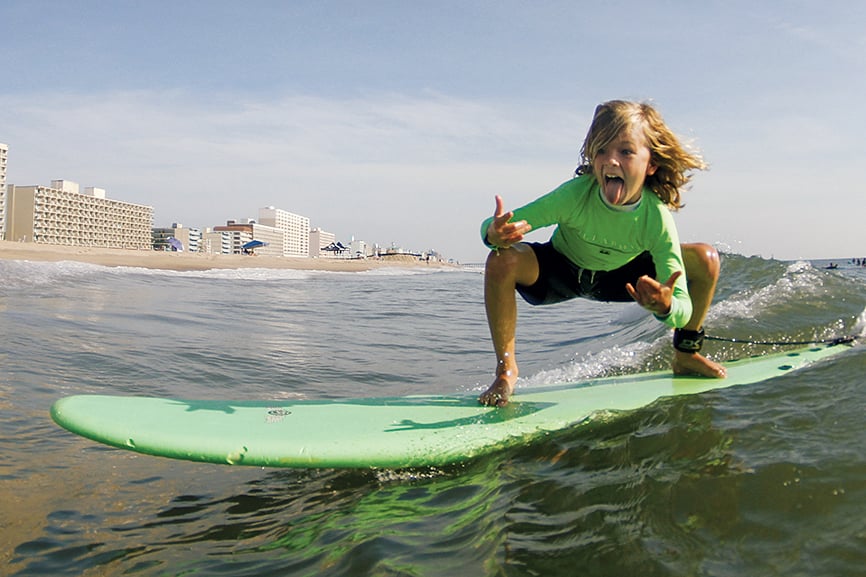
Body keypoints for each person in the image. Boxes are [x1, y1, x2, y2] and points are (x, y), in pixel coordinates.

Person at [479, 100, 726, 407]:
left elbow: (682, 309)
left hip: (624, 280)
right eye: (601, 150)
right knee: (503, 257)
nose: (610, 161)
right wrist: (494, 233)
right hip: (561, 271)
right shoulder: (575, 195)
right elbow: (499, 226)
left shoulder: (656, 218)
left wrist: (665, 306)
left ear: (651, 164)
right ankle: (506, 371)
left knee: (705, 258)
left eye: (625, 151)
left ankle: (686, 355)